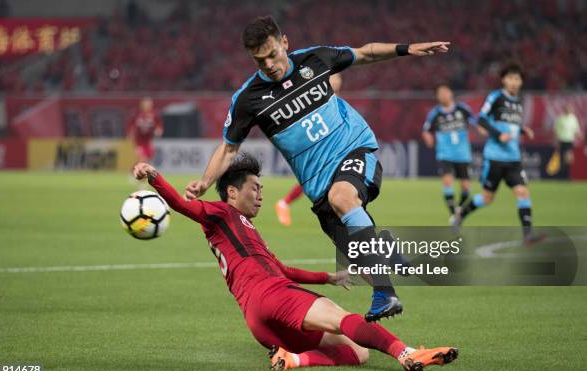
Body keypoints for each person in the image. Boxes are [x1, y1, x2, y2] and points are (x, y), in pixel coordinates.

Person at [184, 15, 450, 321]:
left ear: (284, 43)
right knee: (361, 261)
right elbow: (229, 148)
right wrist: (206, 181)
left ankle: (386, 294)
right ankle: (383, 252)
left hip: (354, 147)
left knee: (342, 197)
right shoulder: (248, 99)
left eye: (273, 54)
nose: (269, 64)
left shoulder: (314, 59)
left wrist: (408, 48)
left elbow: (364, 53)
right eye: (260, 61)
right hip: (317, 185)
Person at [133, 153, 458, 371]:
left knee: (359, 353)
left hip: (259, 320)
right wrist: (155, 176)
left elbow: (284, 269)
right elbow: (180, 204)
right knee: (341, 317)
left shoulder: (244, 229)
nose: (260, 195)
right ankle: (407, 352)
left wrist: (328, 277)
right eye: (255, 189)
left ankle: (294, 359)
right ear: (231, 192)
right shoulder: (220, 213)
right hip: (273, 295)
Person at [454, 64, 544, 244]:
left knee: (523, 193)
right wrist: (498, 134)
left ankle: (527, 235)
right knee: (487, 198)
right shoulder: (496, 97)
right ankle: (461, 213)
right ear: (504, 80)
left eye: (517, 79)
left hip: (513, 159)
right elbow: (481, 118)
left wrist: (523, 130)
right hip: (495, 158)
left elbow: (511, 127)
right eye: (511, 78)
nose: (514, 82)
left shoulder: (518, 103)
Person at [275, 73, 343, 227]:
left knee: (323, 179)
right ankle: (285, 203)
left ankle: (285, 203)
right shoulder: (315, 97)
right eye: (335, 78)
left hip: (330, 145)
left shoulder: (335, 100)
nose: (338, 81)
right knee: (318, 178)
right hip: (314, 144)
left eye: (339, 79)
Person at [423, 84, 476, 222]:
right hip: (445, 154)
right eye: (440, 93)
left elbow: (475, 123)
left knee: (466, 187)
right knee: (447, 182)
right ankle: (453, 214)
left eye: (445, 92)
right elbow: (427, 130)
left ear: (451, 93)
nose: (443, 95)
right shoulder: (435, 113)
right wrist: (429, 138)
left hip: (463, 154)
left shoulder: (462, 109)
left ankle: (459, 208)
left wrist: (483, 131)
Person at [127, 97, 163, 163]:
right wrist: (130, 132)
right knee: (143, 158)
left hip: (148, 141)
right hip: (139, 141)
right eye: (146, 103)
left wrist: (158, 130)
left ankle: (135, 171)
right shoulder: (137, 114)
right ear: (142, 104)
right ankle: (137, 171)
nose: (148, 105)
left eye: (149, 103)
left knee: (148, 159)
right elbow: (131, 125)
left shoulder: (154, 115)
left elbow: (158, 125)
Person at [551, 104, 582, 179]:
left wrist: (580, 137)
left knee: (569, 159)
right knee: (561, 158)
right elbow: (555, 130)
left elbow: (576, 130)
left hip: (569, 140)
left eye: (570, 109)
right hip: (561, 140)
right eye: (567, 108)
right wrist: (555, 140)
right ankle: (561, 175)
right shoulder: (560, 118)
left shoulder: (573, 118)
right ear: (564, 109)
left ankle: (567, 174)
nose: (569, 110)